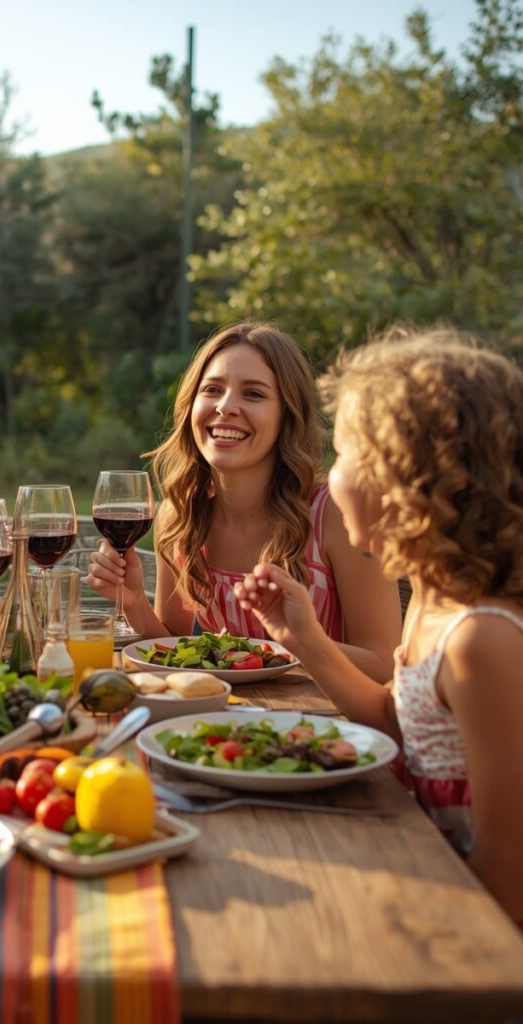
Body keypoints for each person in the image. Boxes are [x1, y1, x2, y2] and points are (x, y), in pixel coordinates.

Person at [233, 329, 523, 922]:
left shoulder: (481, 639)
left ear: (407, 480)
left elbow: (508, 867)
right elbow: (395, 718)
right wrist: (302, 639)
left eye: (346, 455)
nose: (330, 478)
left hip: (474, 930)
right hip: (424, 862)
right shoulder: (430, 597)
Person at [87, 321, 399, 681]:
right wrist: (133, 601)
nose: (226, 407)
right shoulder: (180, 513)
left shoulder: (338, 514)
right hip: (227, 723)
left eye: (253, 394)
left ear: (287, 415)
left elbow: (384, 665)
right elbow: (177, 652)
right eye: (212, 390)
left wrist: (290, 644)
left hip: (327, 725)